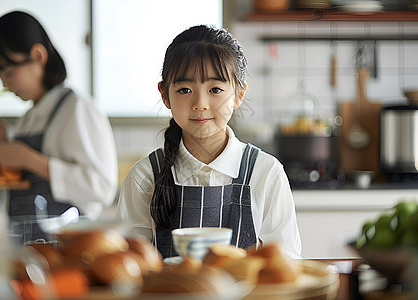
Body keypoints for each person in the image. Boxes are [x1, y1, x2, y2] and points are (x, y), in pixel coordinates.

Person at [117, 24, 301, 259]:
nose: (200, 103)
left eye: (215, 89)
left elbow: (286, 263)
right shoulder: (144, 177)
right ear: (165, 95)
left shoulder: (265, 173)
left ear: (238, 94)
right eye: (184, 90)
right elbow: (130, 264)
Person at [0, 11, 118, 238]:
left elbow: (102, 188)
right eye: (0, 76)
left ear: (38, 56)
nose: (5, 84)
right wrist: (1, 143)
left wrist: (28, 159)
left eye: (10, 72)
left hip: (66, 249)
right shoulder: (28, 118)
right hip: (28, 249)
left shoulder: (77, 108)